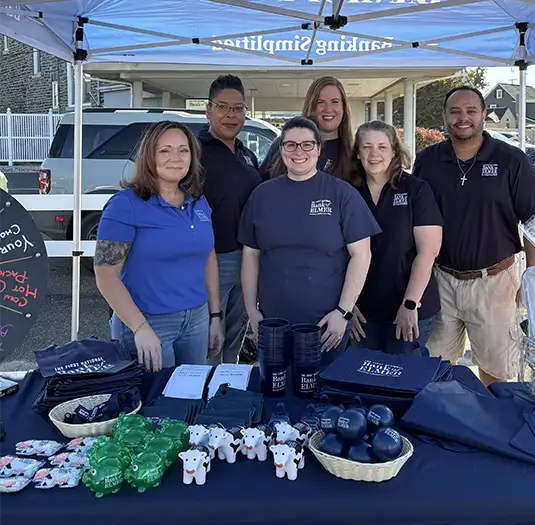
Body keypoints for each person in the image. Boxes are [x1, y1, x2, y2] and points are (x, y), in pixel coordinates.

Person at [413, 85, 535, 386]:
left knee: (498, 374)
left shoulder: (512, 161)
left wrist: (532, 277)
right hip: (439, 281)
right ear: (445, 117)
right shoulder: (428, 161)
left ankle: (494, 428)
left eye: (471, 111)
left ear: (484, 115)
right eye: (455, 112)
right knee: (433, 371)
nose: (463, 118)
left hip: (495, 283)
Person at [239, 116, 380, 359]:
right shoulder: (262, 195)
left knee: (324, 392)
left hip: (327, 325)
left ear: (318, 148)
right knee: (276, 391)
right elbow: (251, 255)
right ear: (281, 149)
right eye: (290, 144)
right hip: (273, 326)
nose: (298, 152)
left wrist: (343, 312)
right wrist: (252, 310)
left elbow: (361, 255)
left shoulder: (341, 194)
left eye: (307, 144)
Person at [94, 121, 223, 372]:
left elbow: (209, 258)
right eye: (165, 150)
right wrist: (140, 328)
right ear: (149, 156)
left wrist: (215, 316)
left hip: (196, 319)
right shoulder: (125, 205)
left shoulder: (198, 202)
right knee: (153, 404)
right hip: (148, 322)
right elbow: (106, 274)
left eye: (183, 150)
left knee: (189, 397)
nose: (175, 158)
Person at [349, 121, 443, 355]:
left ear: (394, 151)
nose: (374, 154)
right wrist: (347, 305)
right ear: (358, 153)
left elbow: (428, 251)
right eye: (367, 147)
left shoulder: (416, 190)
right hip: (362, 313)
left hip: (409, 309)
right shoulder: (348, 192)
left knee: (401, 384)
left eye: (382, 147)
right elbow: (336, 253)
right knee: (364, 381)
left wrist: (409, 304)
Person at [198, 74, 262, 364]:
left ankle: (227, 390)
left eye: (238, 108)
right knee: (210, 337)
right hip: (212, 259)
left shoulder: (247, 155)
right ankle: (204, 396)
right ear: (208, 110)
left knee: (236, 331)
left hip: (247, 258)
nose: (230, 115)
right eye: (223, 107)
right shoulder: (194, 152)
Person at [260, 76, 353, 179]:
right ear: (311, 106)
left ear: (343, 107)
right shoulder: (283, 144)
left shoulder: (353, 153)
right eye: (320, 102)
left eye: (335, 102)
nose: (328, 109)